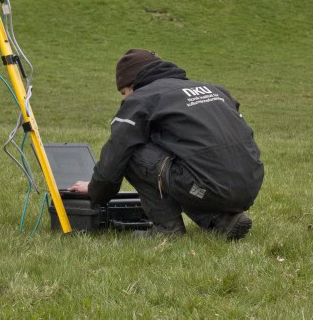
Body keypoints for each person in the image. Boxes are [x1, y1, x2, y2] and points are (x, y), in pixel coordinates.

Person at [67, 49, 264, 239]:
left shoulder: (141, 99)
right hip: (250, 182)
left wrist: (95, 189)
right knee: (183, 163)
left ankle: (166, 229)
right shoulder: (215, 90)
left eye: (123, 92)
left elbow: (117, 153)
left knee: (133, 150)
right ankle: (223, 221)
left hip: (207, 186)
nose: (125, 97)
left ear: (132, 84)